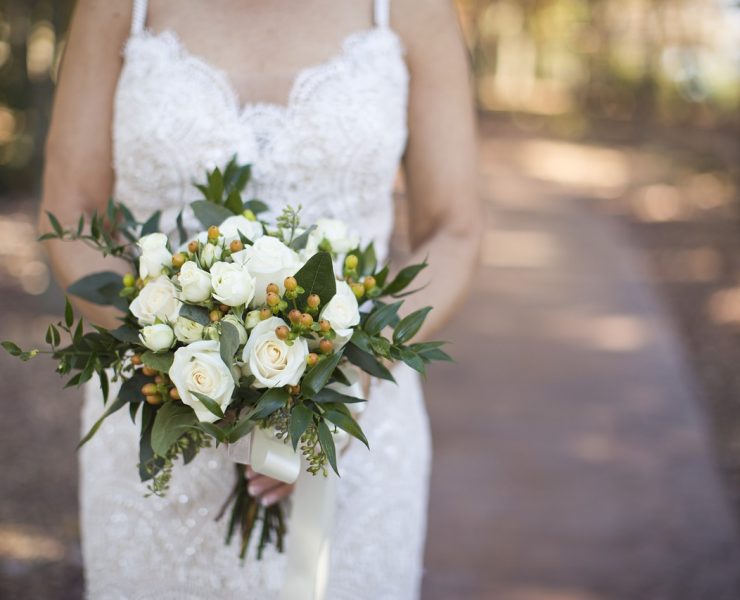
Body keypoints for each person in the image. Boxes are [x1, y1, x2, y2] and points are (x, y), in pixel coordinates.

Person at [40, 0, 480, 597]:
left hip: (353, 422)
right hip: (163, 417)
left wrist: (348, 373)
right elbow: (69, 214)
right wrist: (176, 344)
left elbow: (454, 228)